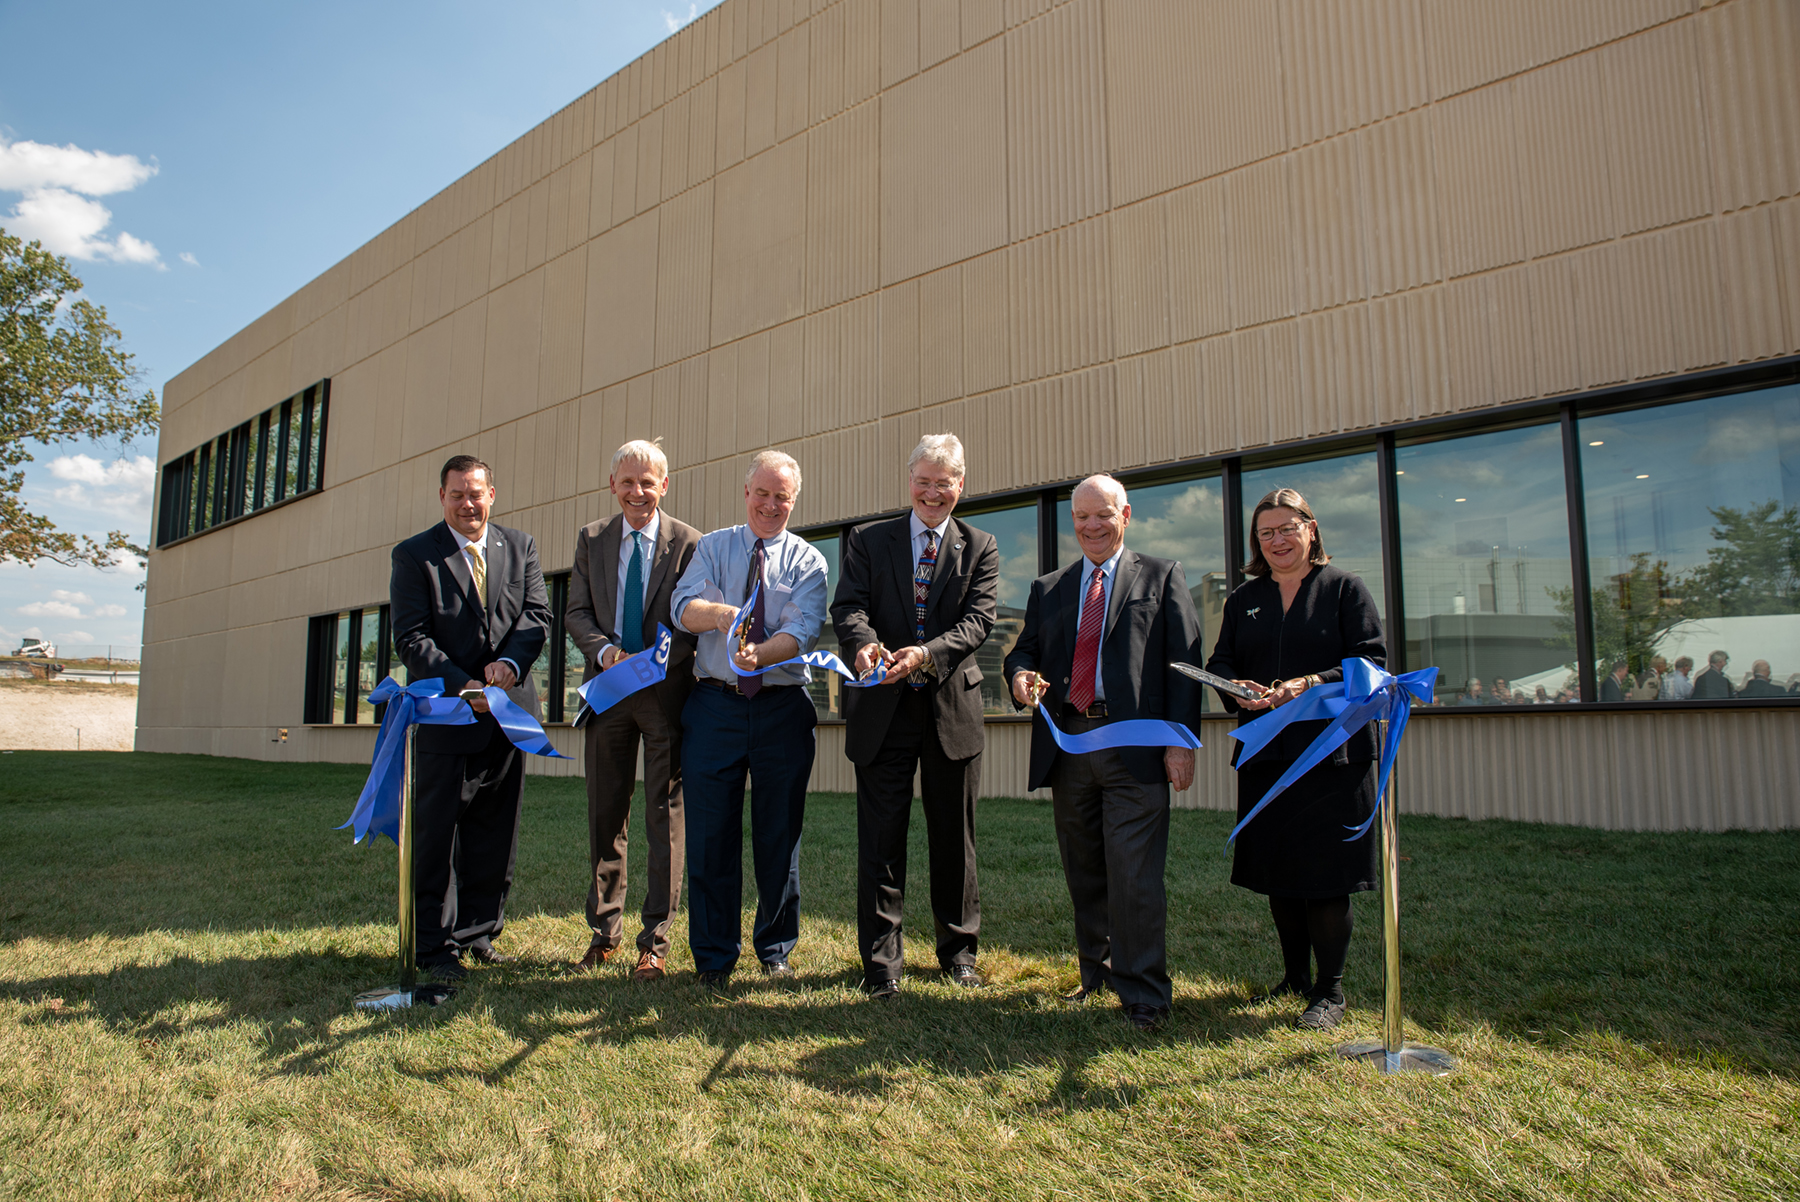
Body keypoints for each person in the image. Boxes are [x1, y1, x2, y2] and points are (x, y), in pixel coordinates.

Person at [1003, 474, 1202, 1032]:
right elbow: (1022, 653)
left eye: (1103, 515)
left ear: (1126, 514)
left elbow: (1184, 664)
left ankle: (1144, 993)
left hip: (1136, 751)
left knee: (1134, 873)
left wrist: (1180, 743)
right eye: (1082, 517)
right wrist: (1020, 678)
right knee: (1084, 869)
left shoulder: (1162, 577)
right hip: (1069, 747)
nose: (1091, 526)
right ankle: (1098, 974)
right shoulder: (1051, 587)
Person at [1204, 487, 1384, 1032]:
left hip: (1333, 758)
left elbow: (1371, 663)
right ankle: (1294, 978)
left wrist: (1309, 682)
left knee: (1326, 876)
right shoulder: (1243, 599)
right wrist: (1233, 688)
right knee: (1279, 872)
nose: (1278, 540)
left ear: (1311, 529)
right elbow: (1221, 661)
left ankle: (1330, 992)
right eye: (1266, 533)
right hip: (1266, 754)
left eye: (1287, 528)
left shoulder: (1344, 589)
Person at [830, 434, 1000, 1000]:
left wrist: (927, 655)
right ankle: (881, 965)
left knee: (955, 839)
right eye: (923, 481)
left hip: (951, 707)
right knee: (881, 840)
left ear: (960, 485)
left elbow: (979, 621)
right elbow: (847, 606)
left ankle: (959, 954)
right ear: (910, 481)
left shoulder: (981, 545)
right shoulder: (867, 540)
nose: (933, 492)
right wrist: (863, 645)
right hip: (882, 708)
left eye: (944, 483)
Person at [670, 449, 829, 992]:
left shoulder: (809, 561)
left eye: (781, 496)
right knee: (711, 836)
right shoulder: (712, 548)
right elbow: (680, 607)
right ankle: (714, 956)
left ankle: (775, 948)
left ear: (794, 500)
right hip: (714, 706)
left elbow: (803, 631)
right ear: (746, 493)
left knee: (777, 834)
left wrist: (757, 655)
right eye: (762, 493)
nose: (770, 504)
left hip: (781, 710)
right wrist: (720, 616)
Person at [389, 454, 549, 982]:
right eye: (457, 494)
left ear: (492, 494)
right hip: (446, 716)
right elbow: (411, 637)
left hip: (507, 716)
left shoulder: (519, 546)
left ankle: (479, 933)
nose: (467, 503)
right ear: (442, 497)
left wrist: (508, 665)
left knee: (494, 831)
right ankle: (435, 945)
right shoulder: (414, 556)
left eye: (476, 493)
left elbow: (535, 617)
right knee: (438, 834)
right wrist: (466, 684)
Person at [563, 439, 701, 981]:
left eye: (648, 482)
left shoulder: (689, 542)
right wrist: (606, 652)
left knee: (664, 817)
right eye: (628, 482)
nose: (638, 491)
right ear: (613, 485)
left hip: (666, 696)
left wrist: (661, 659)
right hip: (608, 692)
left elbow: (692, 615)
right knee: (605, 814)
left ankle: (656, 941)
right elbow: (575, 612)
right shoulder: (591, 539)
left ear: (664, 485)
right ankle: (604, 932)